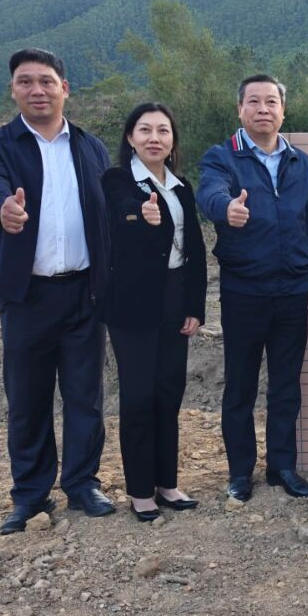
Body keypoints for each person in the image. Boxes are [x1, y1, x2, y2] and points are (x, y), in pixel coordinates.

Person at [0, 48, 114, 533]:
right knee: (28, 401)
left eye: (46, 81)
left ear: (64, 89)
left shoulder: (91, 147)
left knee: (85, 397)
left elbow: (109, 211)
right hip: (27, 296)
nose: (37, 90)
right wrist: (3, 208)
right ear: (13, 90)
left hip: (84, 293)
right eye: (26, 82)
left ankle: (82, 484)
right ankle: (30, 495)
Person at [196, 75, 308, 501]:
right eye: (254, 101)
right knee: (240, 386)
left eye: (271, 102)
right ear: (240, 109)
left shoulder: (300, 163)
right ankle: (239, 471)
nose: (263, 109)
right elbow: (209, 193)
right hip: (244, 291)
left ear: (283, 110)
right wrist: (225, 208)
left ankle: (282, 466)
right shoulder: (223, 157)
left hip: (293, 292)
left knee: (286, 385)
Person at [100, 103, 208, 521]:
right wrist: (140, 215)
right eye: (144, 130)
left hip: (175, 298)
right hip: (132, 305)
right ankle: (140, 490)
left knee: (169, 392)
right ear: (130, 137)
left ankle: (167, 483)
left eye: (163, 130)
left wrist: (195, 306)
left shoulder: (181, 187)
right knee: (139, 396)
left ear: (172, 139)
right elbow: (120, 213)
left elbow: (194, 249)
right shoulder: (117, 181)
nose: (154, 138)